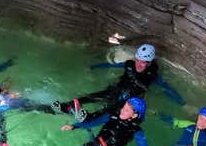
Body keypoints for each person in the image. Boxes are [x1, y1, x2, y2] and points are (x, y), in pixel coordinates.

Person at [52, 44, 183, 122]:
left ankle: (88, 118)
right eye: (138, 60)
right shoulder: (130, 64)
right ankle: (66, 106)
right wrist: (92, 67)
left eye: (143, 62)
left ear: (149, 63)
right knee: (91, 97)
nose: (138, 64)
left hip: (128, 101)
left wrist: (183, 104)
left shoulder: (152, 76)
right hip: (116, 90)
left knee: (110, 109)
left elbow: (167, 89)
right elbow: (111, 65)